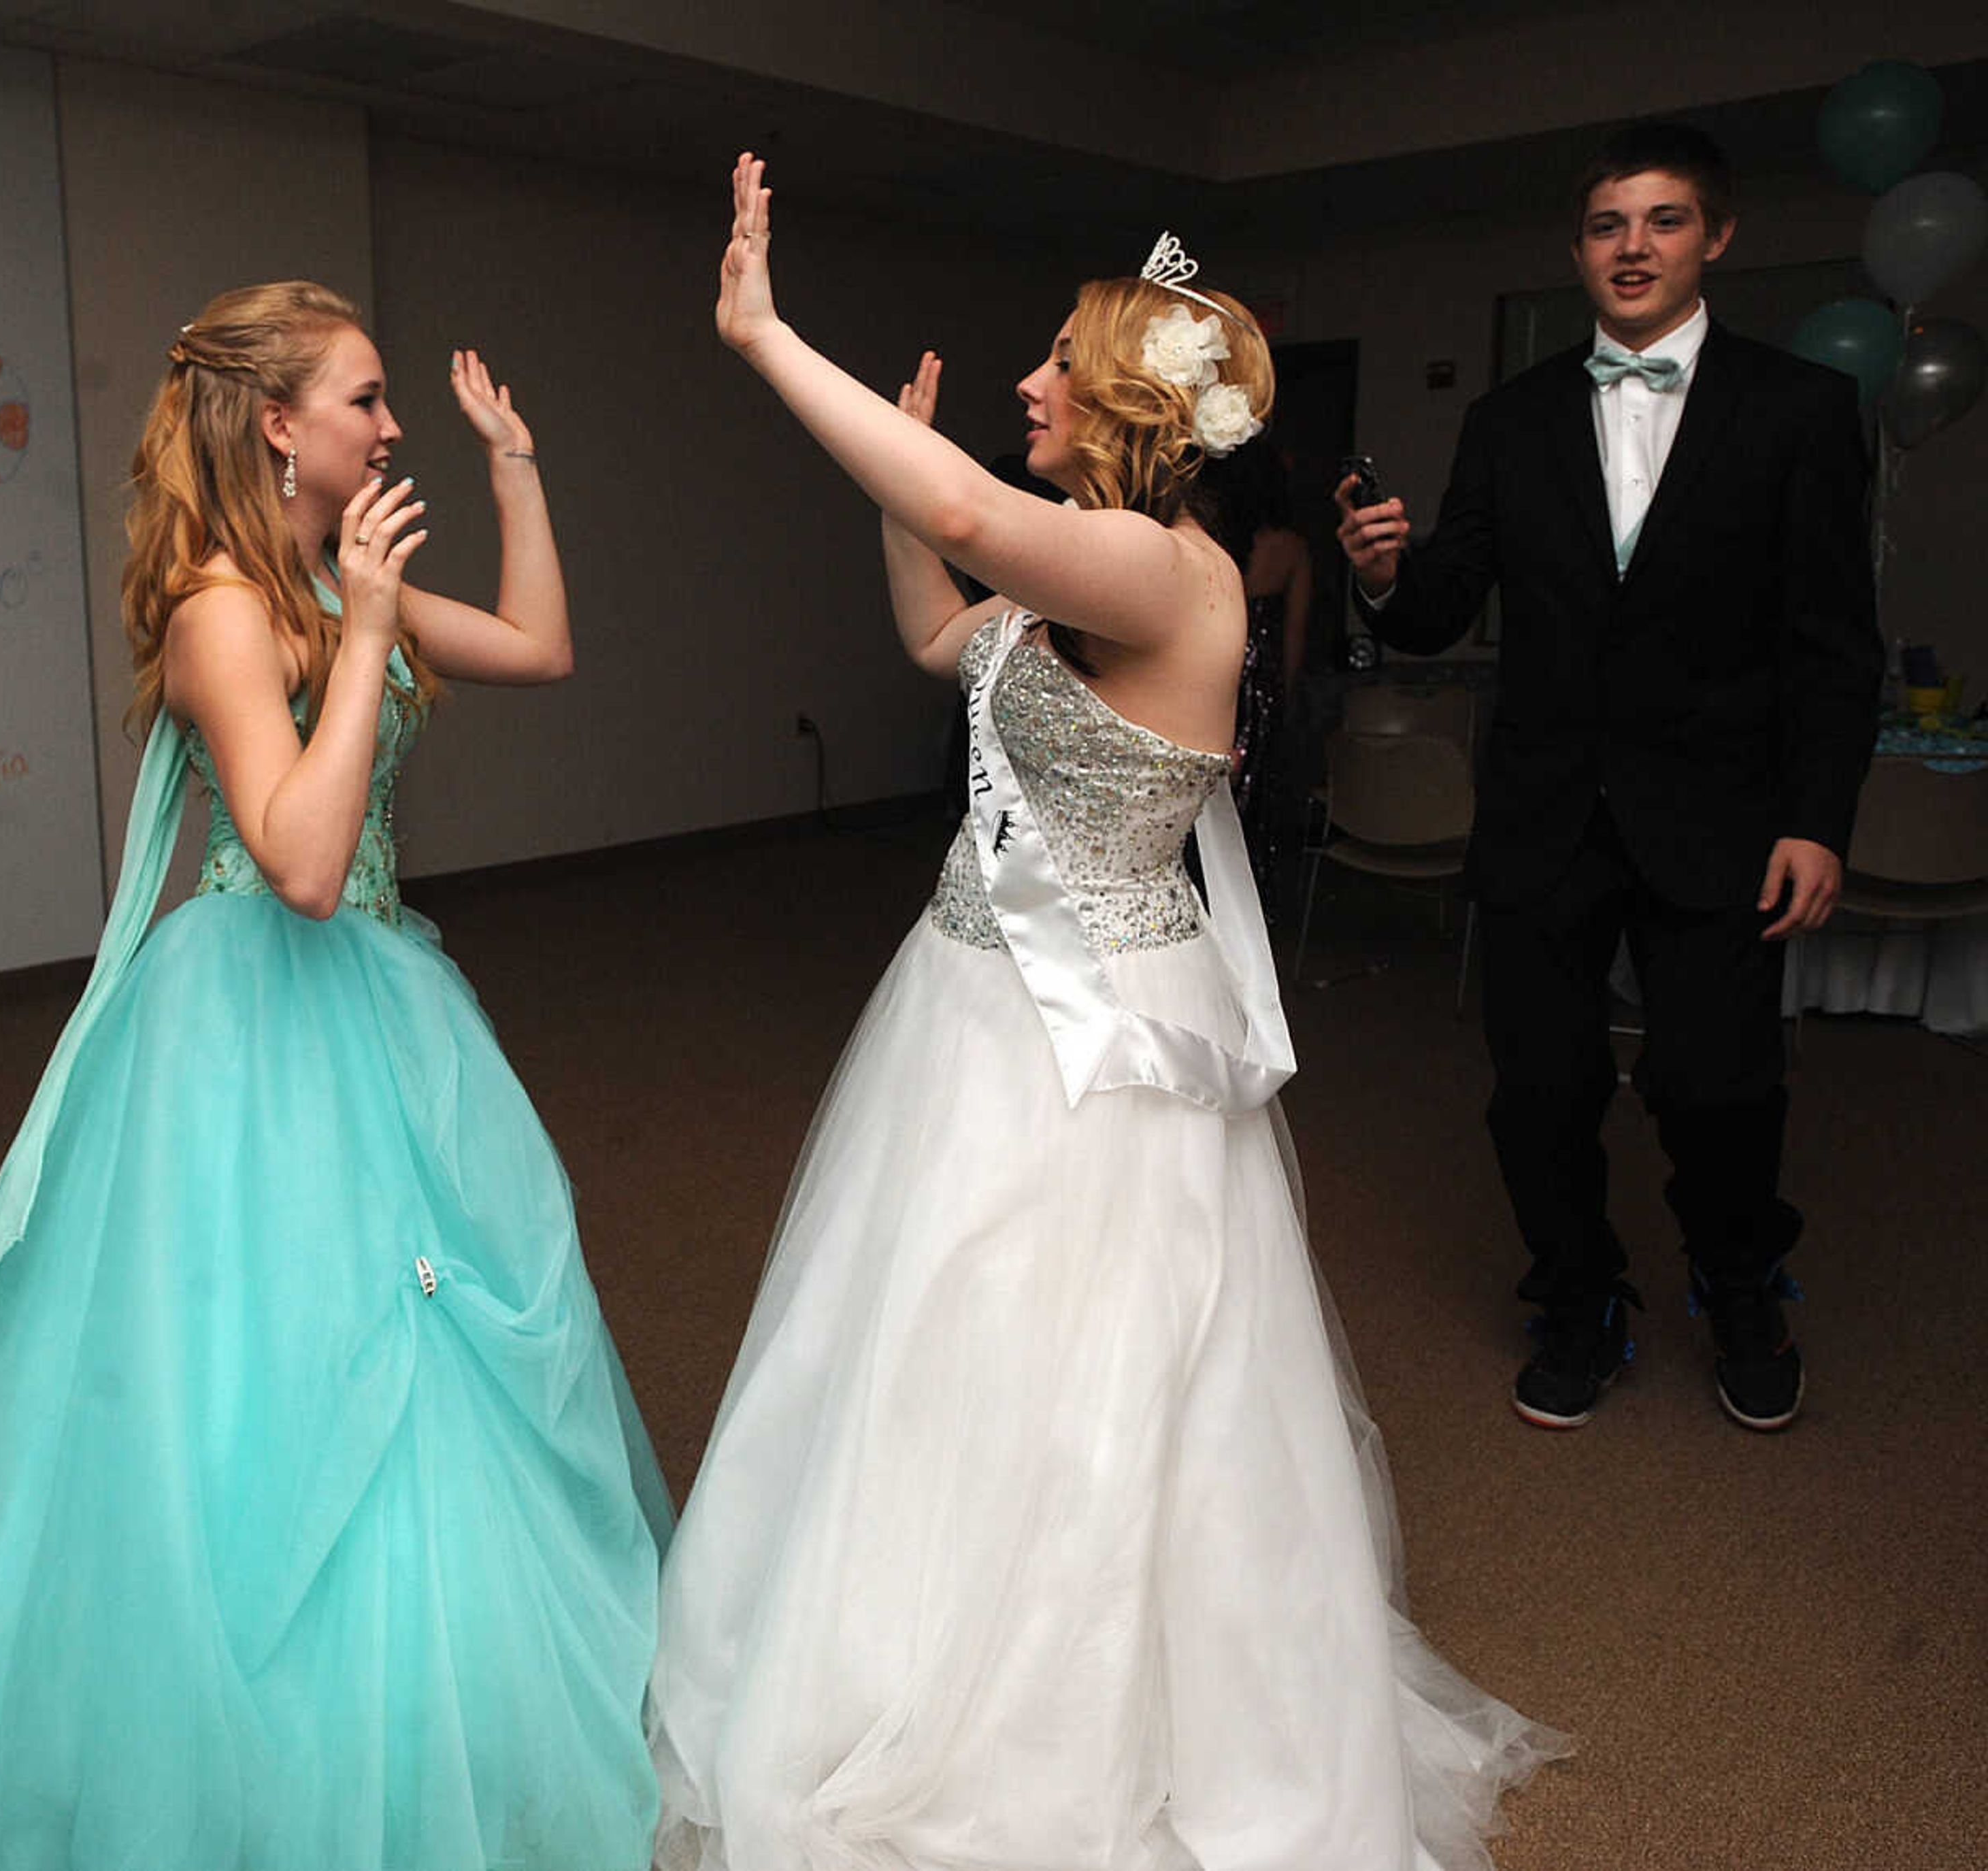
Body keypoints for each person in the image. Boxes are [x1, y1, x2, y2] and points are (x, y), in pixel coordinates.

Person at [0, 284, 672, 1871]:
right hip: (245, 1023)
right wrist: (367, 627)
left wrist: (512, 468)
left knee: (429, 1362)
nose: (392, 429)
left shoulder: (329, 573)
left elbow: (542, 644)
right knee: (244, 1392)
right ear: (278, 423)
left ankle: (427, 1733)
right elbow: (301, 859)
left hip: (386, 1012)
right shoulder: (223, 609)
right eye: (367, 399)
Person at [649, 155, 1562, 1871]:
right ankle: (893, 1630)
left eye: (1057, 366)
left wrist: (767, 338)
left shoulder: (1170, 574)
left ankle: (1040, 1713)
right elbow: (943, 625)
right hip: (967, 996)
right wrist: (892, 496)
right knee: (918, 1341)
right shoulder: (1084, 577)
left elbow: (985, 524)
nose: (1025, 385)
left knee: (1070, 1365)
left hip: (1089, 1041)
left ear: (1134, 404)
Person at [1336, 124, 1880, 1434]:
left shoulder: (1800, 409)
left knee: (1720, 1088)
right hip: (1545, 820)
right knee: (1539, 1092)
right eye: (1606, 225)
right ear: (1578, 249)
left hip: (1723, 823)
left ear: (1717, 237)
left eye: (1664, 220)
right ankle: (1576, 1300)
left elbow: (1833, 645)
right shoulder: (1507, 421)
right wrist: (1382, 573)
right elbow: (1438, 614)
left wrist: (1818, 820)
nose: (1633, 246)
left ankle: (1743, 1287)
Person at [1208, 442, 1313, 914]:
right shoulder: (1292, 548)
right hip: (1263, 678)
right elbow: (1294, 634)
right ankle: (1249, 904)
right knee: (1257, 793)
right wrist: (1283, 695)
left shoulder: (1214, 542)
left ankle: (1207, 895)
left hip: (1215, 670)